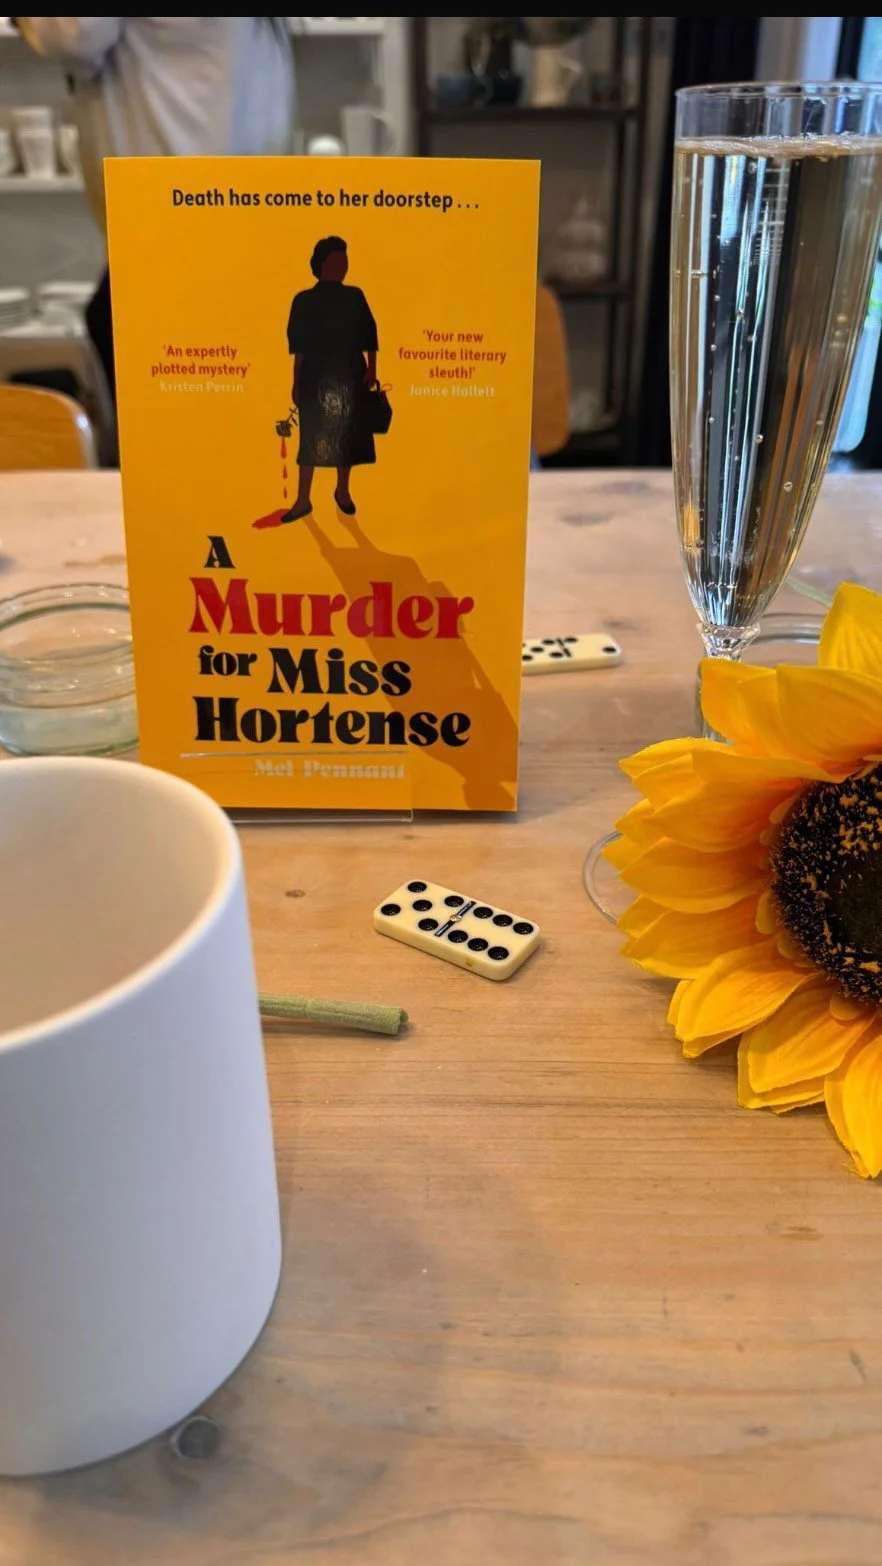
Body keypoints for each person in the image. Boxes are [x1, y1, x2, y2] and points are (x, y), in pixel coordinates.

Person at [15, 18, 295, 411]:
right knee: (226, 388)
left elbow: (75, 31)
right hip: (229, 200)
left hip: (173, 206)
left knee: (175, 398)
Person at [283, 236, 378, 523]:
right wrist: (296, 382)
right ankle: (303, 500)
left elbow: (369, 333)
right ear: (321, 264)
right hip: (315, 376)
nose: (343, 266)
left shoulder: (355, 296)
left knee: (346, 437)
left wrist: (372, 369)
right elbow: (298, 348)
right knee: (310, 438)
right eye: (337, 261)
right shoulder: (303, 300)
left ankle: (343, 491)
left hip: (350, 374)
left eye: (344, 261)